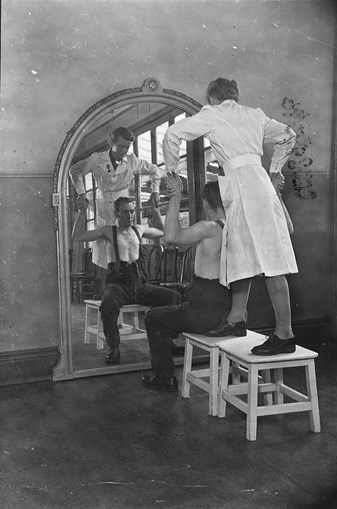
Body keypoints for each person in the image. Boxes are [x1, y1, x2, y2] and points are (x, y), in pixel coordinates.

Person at [162, 78, 298, 356]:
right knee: (239, 252)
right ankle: (236, 318)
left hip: (242, 186)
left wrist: (172, 172)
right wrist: (273, 171)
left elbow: (172, 135)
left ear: (212, 97)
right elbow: (288, 135)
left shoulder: (212, 113)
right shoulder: (255, 114)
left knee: (271, 263)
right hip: (255, 183)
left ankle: (284, 334)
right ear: (235, 95)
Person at [142, 174, 231, 392]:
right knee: (173, 302)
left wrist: (175, 196)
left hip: (205, 310)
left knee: (153, 318)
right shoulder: (235, 227)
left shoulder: (210, 227)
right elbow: (180, 245)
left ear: (205, 204)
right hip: (228, 309)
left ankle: (164, 376)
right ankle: (170, 353)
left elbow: (171, 237)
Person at [72, 197, 182, 364]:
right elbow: (78, 236)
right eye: (125, 212)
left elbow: (162, 232)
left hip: (140, 285)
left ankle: (169, 341)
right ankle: (114, 347)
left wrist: (157, 211)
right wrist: (81, 212)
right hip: (117, 285)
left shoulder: (139, 229)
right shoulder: (108, 231)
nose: (130, 215)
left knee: (173, 297)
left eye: (131, 211)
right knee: (107, 305)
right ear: (117, 213)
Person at [69, 126, 165, 269]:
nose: (124, 151)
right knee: (105, 255)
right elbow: (74, 170)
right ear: (111, 143)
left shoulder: (131, 161)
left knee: (127, 248)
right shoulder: (97, 160)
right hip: (105, 210)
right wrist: (82, 193)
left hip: (125, 208)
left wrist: (155, 190)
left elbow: (156, 170)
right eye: (121, 147)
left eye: (127, 147)